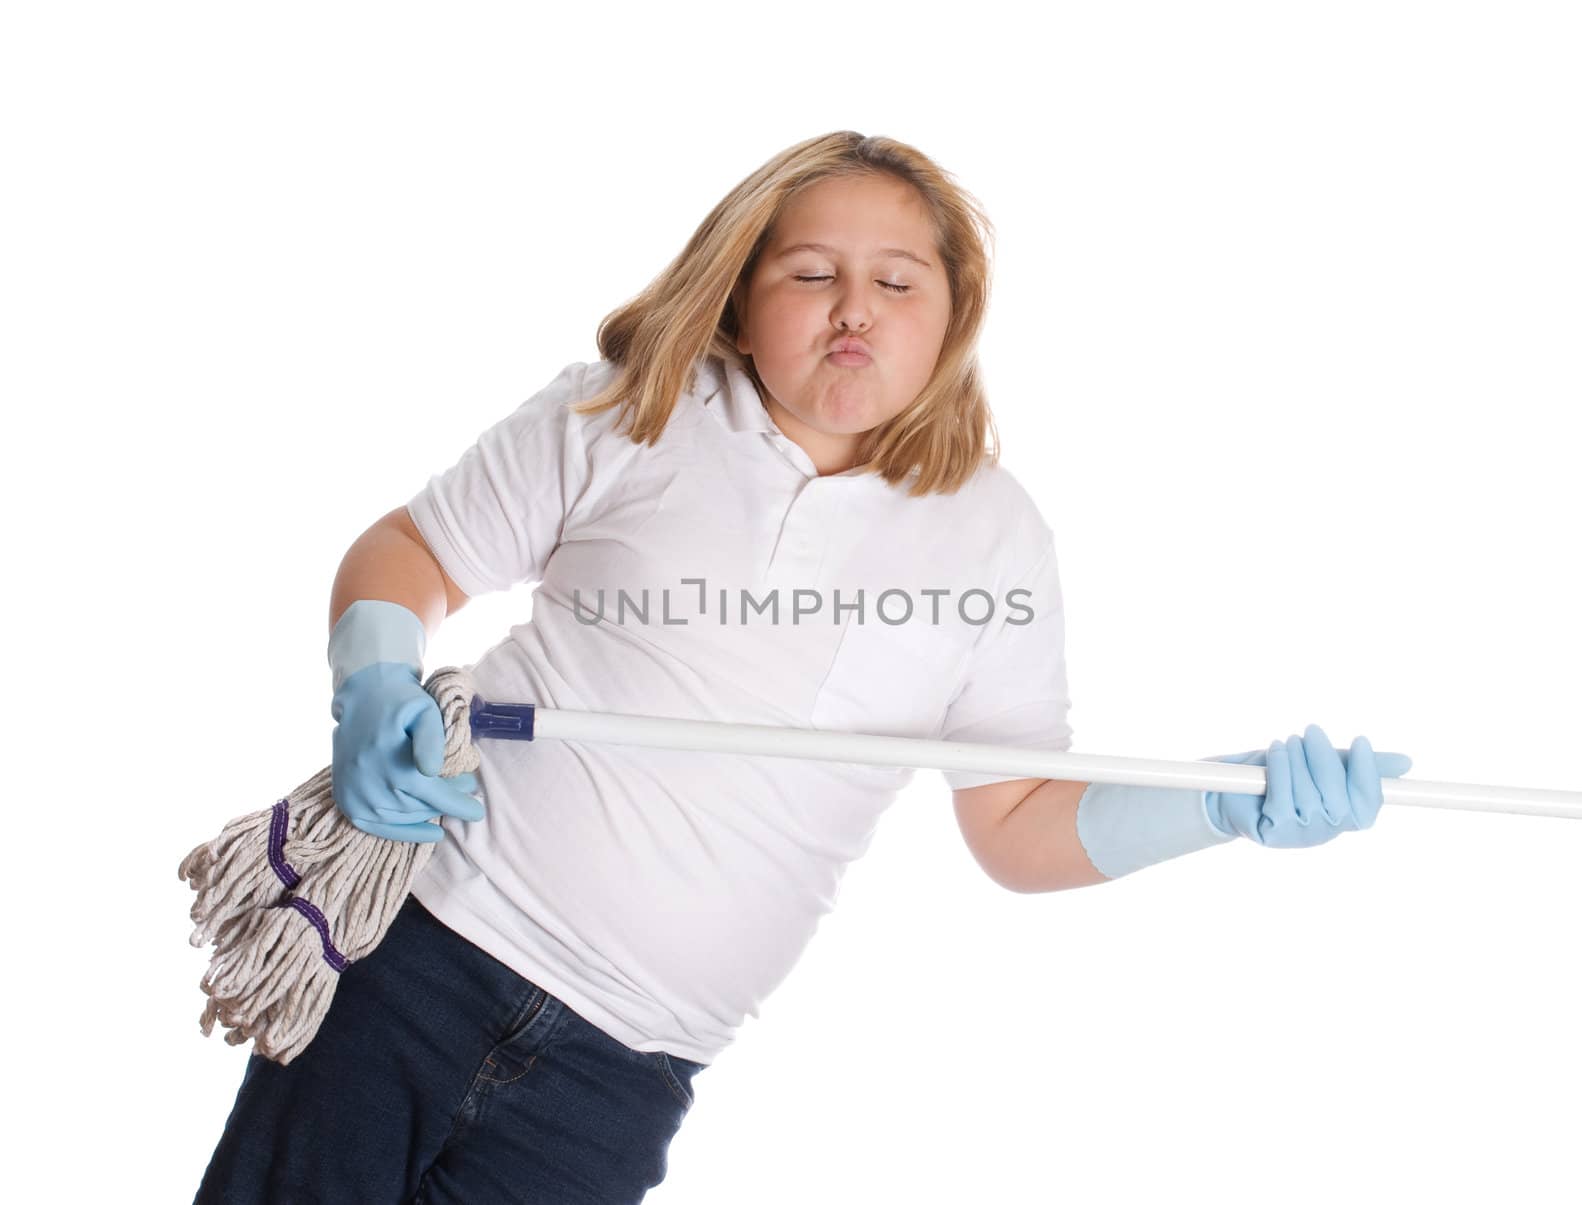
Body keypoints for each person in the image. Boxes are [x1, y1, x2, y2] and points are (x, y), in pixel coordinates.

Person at [195, 130, 1412, 1204]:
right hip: (418, 959)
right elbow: (413, 550)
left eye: (896, 281)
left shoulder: (993, 535)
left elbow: (1018, 821)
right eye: (811, 273)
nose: (855, 310)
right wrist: (374, 677)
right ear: (735, 297)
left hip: (624, 1071)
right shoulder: (633, 412)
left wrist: (1219, 802)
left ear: (950, 318)